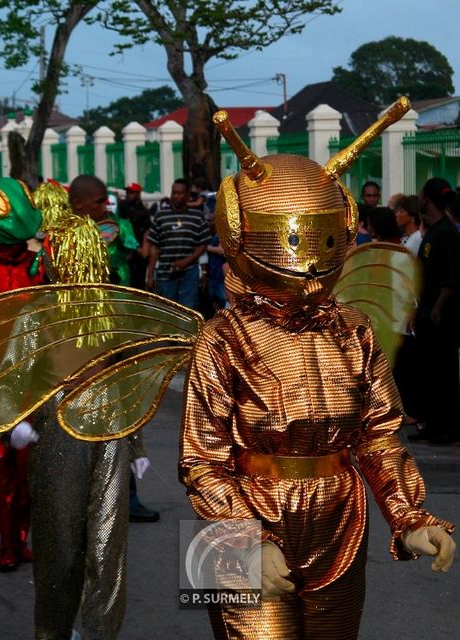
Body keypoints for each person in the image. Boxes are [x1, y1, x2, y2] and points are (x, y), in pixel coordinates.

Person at [180, 104, 456, 640]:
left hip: (341, 521)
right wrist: (244, 539)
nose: (308, 262)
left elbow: (380, 435)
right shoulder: (222, 335)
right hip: (240, 516)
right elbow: (200, 461)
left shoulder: (354, 328)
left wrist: (411, 517)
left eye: (325, 240)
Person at [0, 176, 149, 640]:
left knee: (68, 544)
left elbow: (12, 378)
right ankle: (79, 632)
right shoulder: (110, 309)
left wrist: (17, 421)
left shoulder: (39, 310)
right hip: (95, 433)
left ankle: (63, 632)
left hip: (73, 433)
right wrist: (18, 422)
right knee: (99, 547)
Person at [0, 177, 46, 572]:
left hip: (30, 379)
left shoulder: (39, 265)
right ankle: (8, 542)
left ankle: (22, 537)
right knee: (0, 463)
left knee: (28, 467)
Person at [408, 178, 460, 445]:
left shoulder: (447, 234)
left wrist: (437, 310)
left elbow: (449, 280)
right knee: (428, 371)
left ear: (427, 199)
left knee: (444, 372)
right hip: (427, 312)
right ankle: (432, 423)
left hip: (442, 317)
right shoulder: (434, 231)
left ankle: (447, 427)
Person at [146, 178, 210, 309]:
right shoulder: (160, 216)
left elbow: (203, 244)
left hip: (189, 273)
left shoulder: (197, 216)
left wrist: (187, 261)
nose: (177, 196)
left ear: (187, 195)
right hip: (165, 272)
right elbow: (154, 247)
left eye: (180, 193)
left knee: (187, 311)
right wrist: (150, 275)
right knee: (167, 311)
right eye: (174, 193)